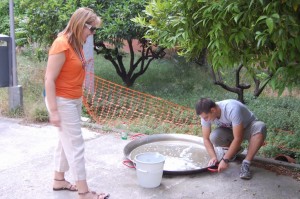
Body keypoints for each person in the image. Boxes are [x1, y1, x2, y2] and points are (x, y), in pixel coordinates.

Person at [44, 7, 109, 199]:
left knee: (65, 142)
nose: (92, 33)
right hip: (61, 100)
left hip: (73, 98)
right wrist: (54, 111)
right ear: (82, 25)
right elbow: (49, 79)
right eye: (92, 29)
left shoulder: (76, 43)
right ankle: (84, 192)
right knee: (76, 144)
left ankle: (59, 180)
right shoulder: (61, 44)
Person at [195, 98, 267, 180]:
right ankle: (234, 151)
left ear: (213, 110)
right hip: (231, 129)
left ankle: (246, 163)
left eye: (206, 117)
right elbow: (206, 139)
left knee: (260, 127)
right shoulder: (205, 114)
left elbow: (238, 138)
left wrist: (225, 160)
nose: (205, 120)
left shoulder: (231, 109)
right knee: (214, 136)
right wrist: (213, 157)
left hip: (248, 127)